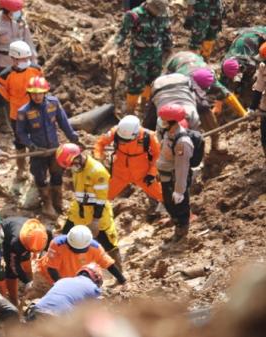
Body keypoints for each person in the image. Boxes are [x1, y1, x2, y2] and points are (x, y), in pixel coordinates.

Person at [15, 76, 79, 219]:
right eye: (33, 93)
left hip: (54, 149)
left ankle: (58, 201)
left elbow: (63, 122)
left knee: (57, 174)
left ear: (45, 92)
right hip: (38, 152)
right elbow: (21, 133)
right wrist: (31, 146)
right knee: (40, 177)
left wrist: (73, 137)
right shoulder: (23, 111)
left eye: (40, 93)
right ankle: (47, 204)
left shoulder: (53, 103)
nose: (37, 96)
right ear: (29, 94)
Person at [56, 143, 123, 270]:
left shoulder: (97, 172)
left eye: (72, 164)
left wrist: (96, 220)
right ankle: (63, 267)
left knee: (109, 244)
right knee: (65, 237)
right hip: (79, 211)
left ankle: (119, 272)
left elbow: (101, 199)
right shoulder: (78, 167)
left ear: (78, 156)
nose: (71, 168)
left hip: (98, 212)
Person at [26, 225, 125, 300]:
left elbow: (109, 264)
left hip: (73, 281)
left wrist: (122, 280)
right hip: (47, 278)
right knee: (39, 299)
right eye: (73, 248)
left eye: (80, 250)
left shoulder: (95, 248)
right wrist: (62, 287)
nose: (76, 252)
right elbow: (52, 268)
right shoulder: (57, 244)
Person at [110, 0, 172, 114]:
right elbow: (122, 34)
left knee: (153, 81)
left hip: (157, 55)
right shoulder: (134, 15)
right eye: (156, 11)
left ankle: (144, 106)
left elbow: (167, 31)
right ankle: (130, 110)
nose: (158, 14)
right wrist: (114, 49)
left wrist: (168, 48)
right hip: (139, 56)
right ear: (149, 5)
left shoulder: (163, 14)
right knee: (136, 83)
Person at [0, 0, 37, 133]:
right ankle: (3, 123)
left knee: (22, 91)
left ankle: (22, 120)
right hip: (3, 64)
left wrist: (34, 61)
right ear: (6, 11)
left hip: (21, 63)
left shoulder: (20, 21)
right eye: (15, 11)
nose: (18, 13)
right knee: (0, 94)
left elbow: (28, 41)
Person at [0, 40, 43, 180]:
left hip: (35, 111)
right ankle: (21, 168)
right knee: (20, 140)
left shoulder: (36, 70)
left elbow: (41, 86)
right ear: (13, 59)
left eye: (26, 58)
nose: (25, 61)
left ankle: (37, 168)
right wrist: (16, 101)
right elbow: (4, 93)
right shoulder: (5, 76)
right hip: (17, 113)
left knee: (37, 139)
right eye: (21, 59)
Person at [145, 69, 221, 149]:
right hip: (159, 86)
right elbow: (160, 142)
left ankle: (215, 138)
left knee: (203, 106)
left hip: (183, 83)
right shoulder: (161, 121)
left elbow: (196, 138)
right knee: (149, 124)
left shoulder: (192, 115)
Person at [94, 115, 163, 202]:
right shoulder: (115, 132)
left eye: (126, 140)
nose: (123, 141)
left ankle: (174, 211)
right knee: (103, 197)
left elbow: (158, 155)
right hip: (120, 173)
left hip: (142, 174)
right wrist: (98, 156)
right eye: (122, 139)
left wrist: (152, 172)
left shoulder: (148, 136)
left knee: (161, 195)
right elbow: (100, 143)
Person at [165, 51, 247, 118]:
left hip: (193, 57)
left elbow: (227, 95)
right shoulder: (181, 80)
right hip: (175, 62)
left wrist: (243, 113)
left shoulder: (210, 76)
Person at [157, 104, 195, 244]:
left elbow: (182, 168)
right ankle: (175, 219)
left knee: (180, 207)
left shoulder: (182, 143)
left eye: (164, 120)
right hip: (166, 177)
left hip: (175, 179)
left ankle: (181, 231)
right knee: (168, 203)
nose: (161, 122)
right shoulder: (168, 134)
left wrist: (179, 190)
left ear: (172, 122)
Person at [24, 263, 102, 321]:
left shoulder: (63, 280)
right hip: (56, 319)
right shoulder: (93, 288)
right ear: (97, 280)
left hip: (37, 311)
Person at [1, 217, 50, 306]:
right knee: (11, 272)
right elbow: (14, 266)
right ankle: (13, 299)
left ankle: (32, 285)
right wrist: (26, 281)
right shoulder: (15, 243)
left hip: (25, 240)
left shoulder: (44, 233)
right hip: (6, 238)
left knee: (26, 261)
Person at [219, 26, 266, 96]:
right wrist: (221, 92)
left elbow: (248, 75)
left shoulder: (250, 63)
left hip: (261, 36)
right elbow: (224, 75)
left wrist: (238, 91)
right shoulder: (226, 61)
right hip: (249, 35)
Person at [249, 45, 266, 156]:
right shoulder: (263, 67)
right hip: (265, 109)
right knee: (265, 137)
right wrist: (252, 108)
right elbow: (259, 88)